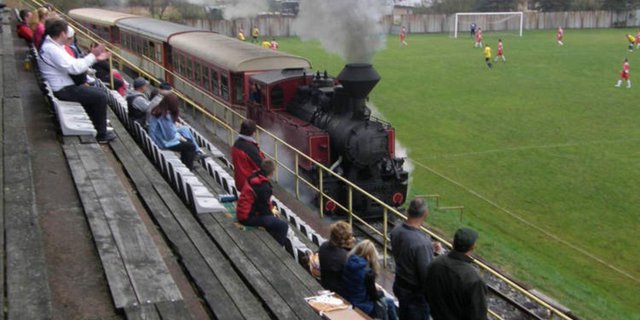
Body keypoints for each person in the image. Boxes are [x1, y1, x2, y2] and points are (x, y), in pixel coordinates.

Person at [39, 19, 116, 143]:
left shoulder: (53, 47)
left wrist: (94, 58)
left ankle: (96, 125)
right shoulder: (52, 49)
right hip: (62, 89)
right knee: (100, 96)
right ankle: (101, 135)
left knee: (98, 92)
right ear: (63, 34)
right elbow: (75, 68)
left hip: (63, 86)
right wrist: (93, 55)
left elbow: (74, 64)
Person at [425, 228, 488, 320]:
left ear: (453, 243)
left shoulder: (436, 263)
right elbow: (478, 315)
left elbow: (427, 290)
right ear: (473, 246)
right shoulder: (473, 279)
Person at [390, 197, 434, 320]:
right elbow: (426, 275)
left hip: (400, 284)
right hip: (414, 295)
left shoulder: (396, 230)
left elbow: (408, 251)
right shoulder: (421, 243)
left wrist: (429, 248)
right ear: (425, 214)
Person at [235, 160, 289, 246]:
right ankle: (277, 249)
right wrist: (273, 215)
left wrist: (271, 209)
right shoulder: (263, 187)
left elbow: (263, 202)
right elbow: (264, 209)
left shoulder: (253, 177)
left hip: (242, 211)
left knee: (273, 220)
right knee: (283, 226)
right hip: (246, 218)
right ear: (271, 173)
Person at [342, 240, 397, 320]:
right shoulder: (367, 272)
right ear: (368, 256)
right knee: (389, 302)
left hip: (348, 299)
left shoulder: (349, 262)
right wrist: (380, 292)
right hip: (362, 305)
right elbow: (374, 296)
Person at [148, 93, 198, 170]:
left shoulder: (158, 110)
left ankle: (187, 165)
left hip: (157, 139)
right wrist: (179, 137)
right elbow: (169, 136)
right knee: (191, 147)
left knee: (188, 142)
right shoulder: (164, 116)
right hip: (162, 142)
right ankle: (187, 168)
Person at [318, 221, 354, 294]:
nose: (353, 238)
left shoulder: (323, 246)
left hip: (325, 285)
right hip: (341, 293)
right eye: (350, 237)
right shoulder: (346, 257)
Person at [231, 119, 264, 190]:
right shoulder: (250, 148)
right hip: (250, 186)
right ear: (253, 133)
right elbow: (262, 167)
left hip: (239, 183)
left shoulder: (236, 144)